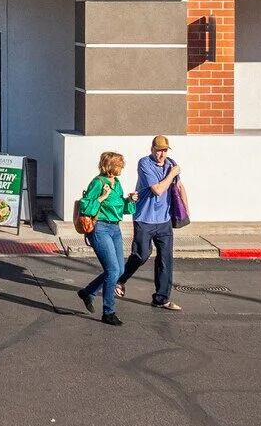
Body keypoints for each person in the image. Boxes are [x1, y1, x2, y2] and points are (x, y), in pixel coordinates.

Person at [122, 135, 183, 310]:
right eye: (158, 151)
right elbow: (157, 189)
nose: (162, 154)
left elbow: (179, 186)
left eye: (164, 151)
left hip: (164, 220)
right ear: (152, 150)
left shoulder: (171, 163)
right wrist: (172, 173)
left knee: (165, 259)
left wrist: (185, 211)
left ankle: (161, 299)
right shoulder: (144, 164)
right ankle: (120, 280)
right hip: (144, 218)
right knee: (141, 254)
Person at [74, 151, 134, 325]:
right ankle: (108, 312)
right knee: (113, 270)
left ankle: (88, 292)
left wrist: (129, 201)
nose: (122, 168)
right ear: (110, 166)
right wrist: (102, 197)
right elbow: (85, 206)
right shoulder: (98, 183)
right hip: (100, 228)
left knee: (119, 270)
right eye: (119, 165)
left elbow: (119, 207)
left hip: (115, 228)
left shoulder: (117, 183)